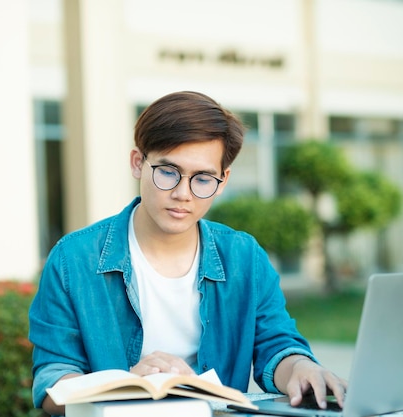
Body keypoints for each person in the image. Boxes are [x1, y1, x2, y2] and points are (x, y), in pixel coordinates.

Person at [28, 91, 347, 416]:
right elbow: (52, 382)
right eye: (168, 172)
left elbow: (276, 345)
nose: (183, 194)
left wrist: (301, 369)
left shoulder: (243, 257)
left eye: (203, 179)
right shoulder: (73, 259)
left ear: (223, 181)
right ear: (138, 163)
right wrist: (122, 387)